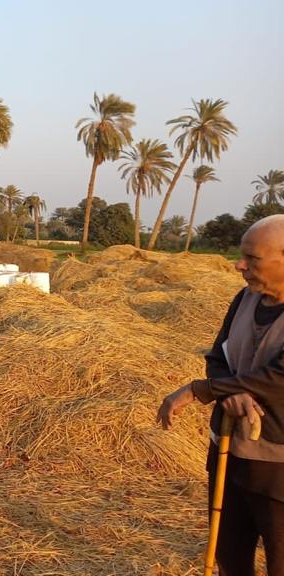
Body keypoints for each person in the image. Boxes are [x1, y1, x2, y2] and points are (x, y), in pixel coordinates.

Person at [158, 214, 284, 575]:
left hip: (277, 467)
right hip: (229, 449)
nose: (239, 265)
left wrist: (203, 390)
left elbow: (279, 378)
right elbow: (218, 357)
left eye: (252, 259)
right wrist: (229, 395)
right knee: (230, 555)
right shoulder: (244, 299)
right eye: (242, 256)